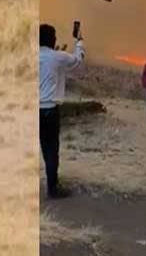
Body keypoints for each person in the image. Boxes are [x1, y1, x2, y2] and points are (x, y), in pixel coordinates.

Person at [39, 23, 84, 199]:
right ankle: (53, 188)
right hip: (50, 110)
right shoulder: (58, 57)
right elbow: (78, 60)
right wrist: (79, 40)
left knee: (43, 148)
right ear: (52, 39)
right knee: (52, 149)